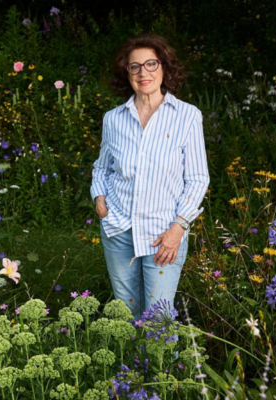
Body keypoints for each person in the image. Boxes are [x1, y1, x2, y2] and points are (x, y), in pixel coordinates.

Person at [90, 34, 210, 320]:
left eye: (151, 64)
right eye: (135, 67)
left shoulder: (187, 116)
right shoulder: (114, 119)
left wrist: (179, 228)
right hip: (118, 229)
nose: (143, 73)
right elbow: (102, 167)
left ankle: (162, 366)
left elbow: (197, 178)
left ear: (164, 68)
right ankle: (130, 366)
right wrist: (99, 198)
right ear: (127, 73)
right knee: (127, 314)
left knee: (158, 316)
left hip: (163, 234)